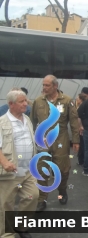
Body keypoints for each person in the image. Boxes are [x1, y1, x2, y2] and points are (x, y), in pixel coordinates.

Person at [30, 75, 80, 212]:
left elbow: (74, 122)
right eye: (43, 85)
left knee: (63, 169)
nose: (44, 88)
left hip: (61, 137)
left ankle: (62, 191)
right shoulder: (38, 101)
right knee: (41, 169)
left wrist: (75, 140)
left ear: (55, 86)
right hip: (43, 139)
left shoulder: (67, 101)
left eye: (47, 85)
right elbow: (32, 121)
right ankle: (42, 199)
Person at [0, 89, 38, 238]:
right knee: (6, 205)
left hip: (28, 169)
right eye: (21, 101)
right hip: (11, 171)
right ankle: (7, 235)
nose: (26, 104)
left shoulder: (27, 119)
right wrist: (4, 163)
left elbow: (30, 140)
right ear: (11, 104)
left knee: (33, 196)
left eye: (25, 100)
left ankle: (21, 227)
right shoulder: (2, 122)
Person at [76, 93, 88, 166]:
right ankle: (81, 160)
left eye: (78, 98)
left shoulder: (81, 107)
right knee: (82, 144)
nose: (76, 100)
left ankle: (82, 160)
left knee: (83, 144)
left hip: (82, 127)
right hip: (83, 127)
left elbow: (78, 118)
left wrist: (80, 127)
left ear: (81, 100)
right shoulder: (84, 106)